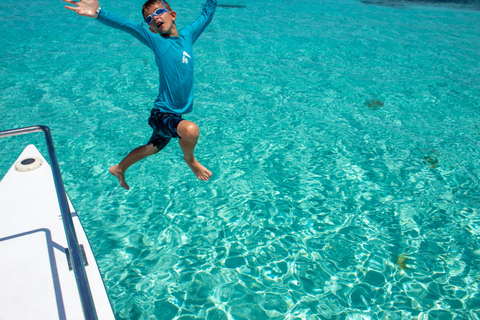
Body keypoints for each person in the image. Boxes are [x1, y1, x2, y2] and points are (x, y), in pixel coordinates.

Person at [64, 0, 216, 190]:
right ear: (151, 29)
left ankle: (119, 168)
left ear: (173, 14)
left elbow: (205, 17)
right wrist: (99, 13)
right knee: (191, 130)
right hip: (162, 115)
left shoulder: (187, 36)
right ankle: (190, 159)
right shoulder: (158, 42)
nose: (155, 18)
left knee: (151, 148)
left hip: (173, 114)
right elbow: (131, 27)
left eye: (159, 12)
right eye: (150, 19)